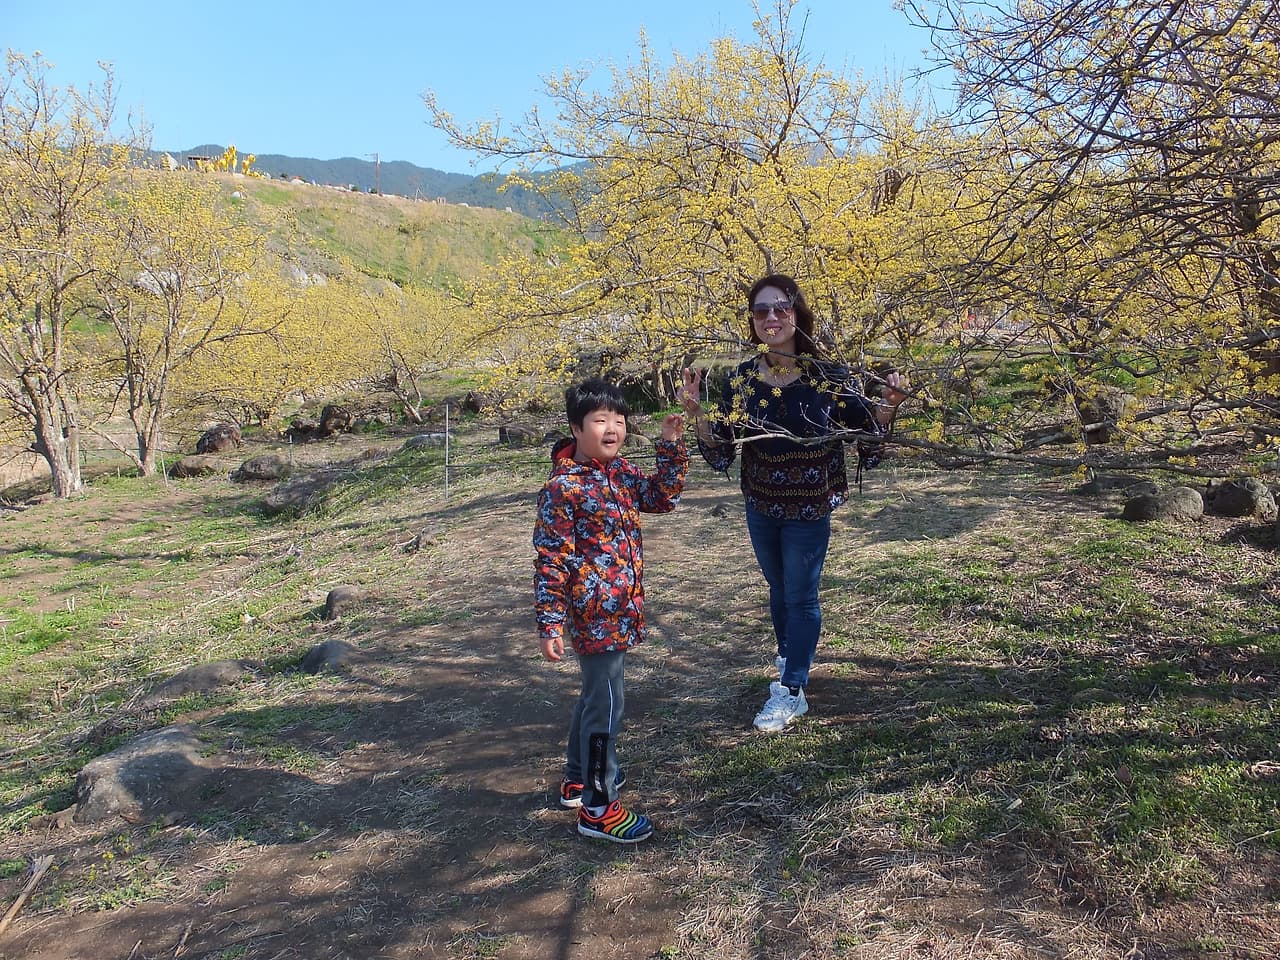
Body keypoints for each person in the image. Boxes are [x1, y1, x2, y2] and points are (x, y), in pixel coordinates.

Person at [680, 274, 909, 732]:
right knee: (779, 588)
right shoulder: (742, 379)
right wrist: (697, 413)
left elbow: (868, 439)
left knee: (801, 595)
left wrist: (888, 406)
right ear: (752, 319)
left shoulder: (829, 378)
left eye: (781, 307)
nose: (771, 317)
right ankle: (789, 656)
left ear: (798, 314)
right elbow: (722, 451)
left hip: (809, 508)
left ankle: (791, 690)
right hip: (761, 503)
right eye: (761, 310)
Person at [534, 378, 688, 843]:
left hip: (622, 609)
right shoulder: (563, 488)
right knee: (607, 705)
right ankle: (599, 808)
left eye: (619, 420)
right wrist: (550, 621)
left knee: (594, 696)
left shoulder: (620, 472)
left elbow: (662, 497)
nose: (612, 429)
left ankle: (576, 779)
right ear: (576, 428)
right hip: (593, 614)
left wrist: (670, 446)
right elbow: (551, 559)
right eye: (600, 420)